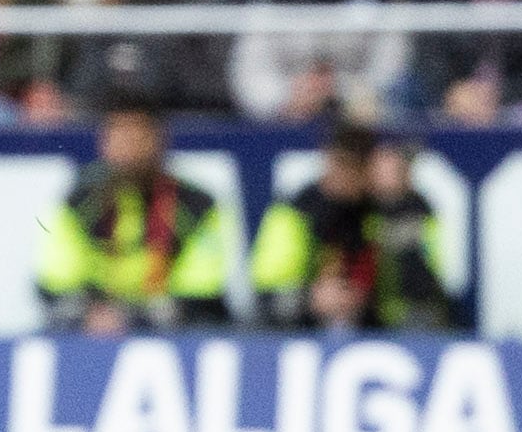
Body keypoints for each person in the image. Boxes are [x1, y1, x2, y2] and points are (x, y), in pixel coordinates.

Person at [34, 98, 230, 334]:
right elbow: (57, 283)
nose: (129, 145)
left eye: (138, 134)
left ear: (160, 139)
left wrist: (130, 317)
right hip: (94, 335)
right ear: (103, 142)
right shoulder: (78, 205)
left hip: (172, 337)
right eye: (119, 133)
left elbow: (201, 292)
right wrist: (91, 314)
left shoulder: (196, 205)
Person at [250, 123, 459, 333]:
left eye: (355, 166)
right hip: (304, 329)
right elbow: (267, 297)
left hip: (380, 328)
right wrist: (310, 299)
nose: (343, 174)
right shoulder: (296, 211)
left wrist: (396, 202)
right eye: (340, 163)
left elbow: (422, 293)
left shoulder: (390, 211)